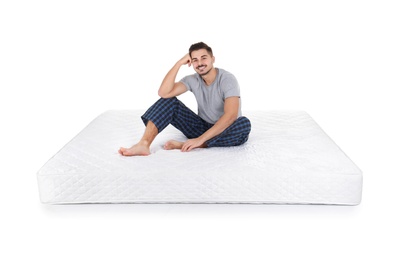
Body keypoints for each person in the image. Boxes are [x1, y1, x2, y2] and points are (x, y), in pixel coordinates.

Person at [118, 42, 251, 156]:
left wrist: (199, 140)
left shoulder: (227, 79)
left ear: (212, 59)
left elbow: (231, 115)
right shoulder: (193, 80)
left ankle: (196, 144)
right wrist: (179, 63)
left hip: (226, 129)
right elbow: (164, 93)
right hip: (202, 127)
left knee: (244, 124)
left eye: (204, 58)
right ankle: (144, 144)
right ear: (191, 62)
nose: (200, 63)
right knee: (169, 101)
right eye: (195, 60)